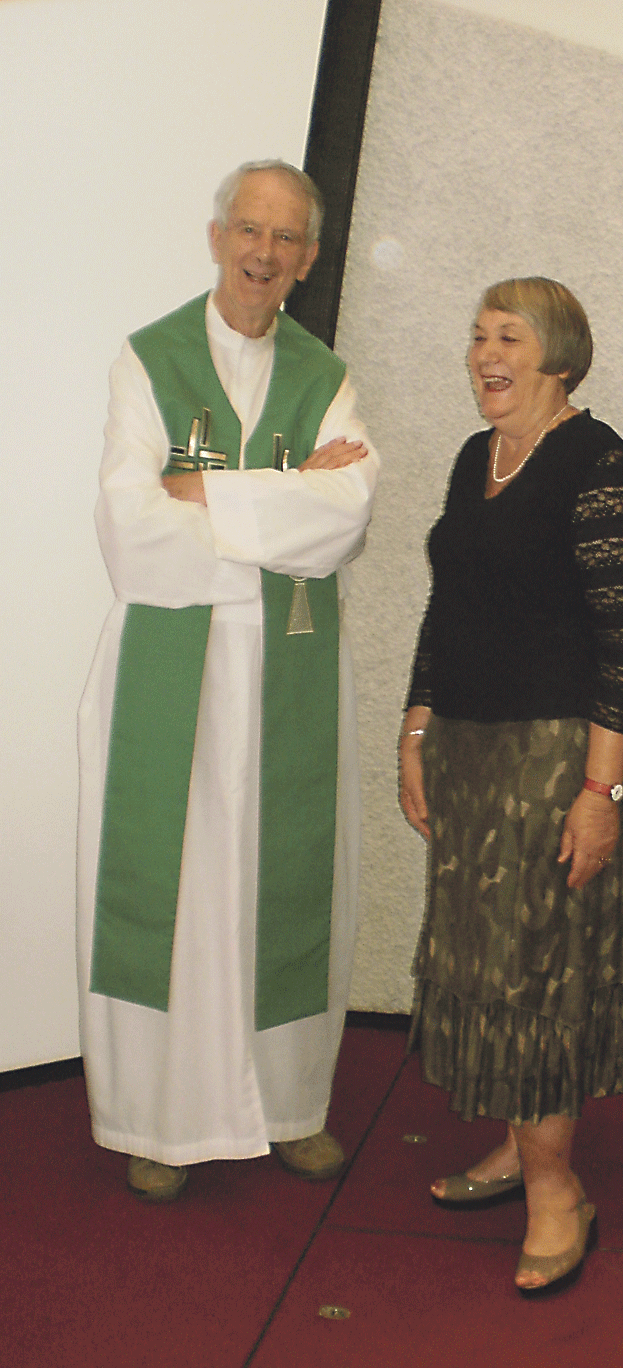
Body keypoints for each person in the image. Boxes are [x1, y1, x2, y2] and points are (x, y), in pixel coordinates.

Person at [77, 160, 380, 1201]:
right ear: (216, 237)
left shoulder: (322, 371)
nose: (263, 252)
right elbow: (131, 530)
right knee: (182, 890)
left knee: (280, 887)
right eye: (247, 229)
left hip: (286, 669)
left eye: (285, 238)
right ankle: (160, 1120)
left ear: (306, 258)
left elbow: (345, 518)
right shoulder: (146, 359)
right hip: (174, 666)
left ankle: (287, 1105)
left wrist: (200, 486)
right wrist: (279, 501)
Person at [399, 277, 623, 1293]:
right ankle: (519, 1143)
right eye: (475, 336)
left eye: (507, 337)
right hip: (465, 749)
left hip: (553, 762)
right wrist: (417, 726)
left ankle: (560, 1189)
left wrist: (603, 793)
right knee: (486, 969)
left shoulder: (598, 463)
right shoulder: (478, 456)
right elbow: (447, 602)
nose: (483, 353)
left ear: (559, 356)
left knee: (540, 976)